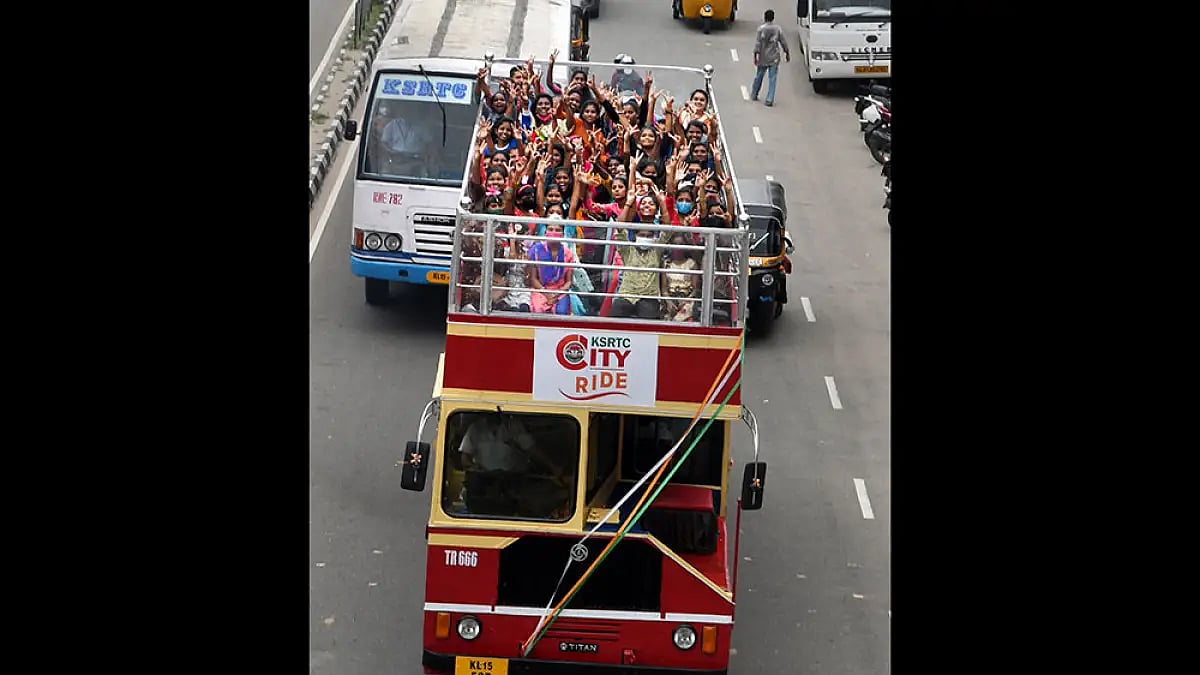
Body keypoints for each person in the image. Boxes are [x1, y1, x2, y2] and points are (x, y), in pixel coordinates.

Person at [751, 9, 791, 107]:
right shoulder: (777, 29)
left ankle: (754, 94)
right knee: (772, 78)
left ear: (765, 17)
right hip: (774, 57)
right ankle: (769, 99)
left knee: (759, 76)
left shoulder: (761, 29)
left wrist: (755, 56)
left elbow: (757, 44)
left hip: (763, 57)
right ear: (773, 18)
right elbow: (783, 42)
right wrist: (787, 52)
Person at [380, 109, 436, 175]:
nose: (406, 112)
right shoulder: (392, 125)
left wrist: (427, 156)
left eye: (408, 110)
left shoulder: (422, 126)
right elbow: (384, 142)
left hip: (416, 161)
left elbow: (430, 144)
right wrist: (391, 152)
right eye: (404, 110)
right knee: (385, 173)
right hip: (395, 160)